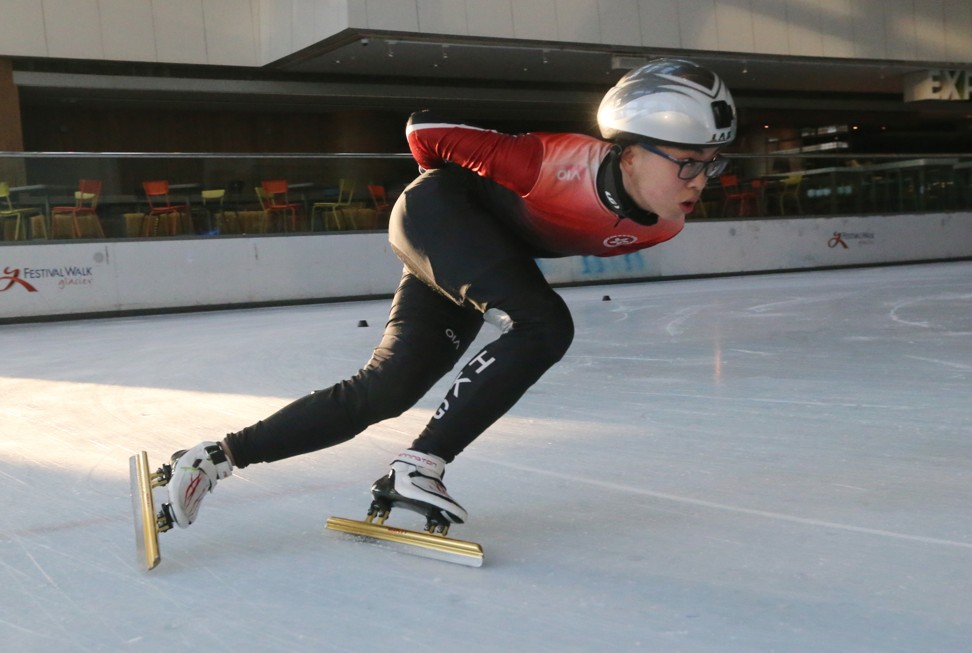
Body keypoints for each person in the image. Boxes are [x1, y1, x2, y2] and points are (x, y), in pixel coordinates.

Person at [165, 58, 737, 534]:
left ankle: (213, 459)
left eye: (713, 164)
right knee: (544, 324)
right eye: (687, 162)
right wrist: (456, 194)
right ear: (630, 151)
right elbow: (423, 129)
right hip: (438, 214)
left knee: (386, 389)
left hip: (481, 250)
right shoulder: (551, 162)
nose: (699, 181)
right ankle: (421, 465)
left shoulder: (664, 222)